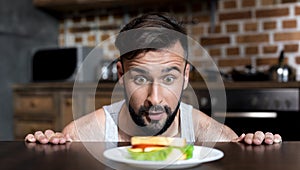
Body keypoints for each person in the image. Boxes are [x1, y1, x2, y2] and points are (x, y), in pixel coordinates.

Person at [25, 12, 282, 145]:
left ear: (185, 76)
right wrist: (49, 148)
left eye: (168, 79)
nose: (155, 99)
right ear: (121, 75)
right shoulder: (86, 134)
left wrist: (255, 145)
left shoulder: (205, 131)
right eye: (139, 79)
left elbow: (239, 157)